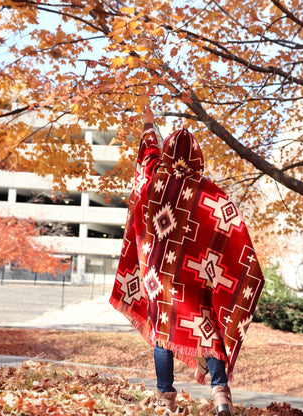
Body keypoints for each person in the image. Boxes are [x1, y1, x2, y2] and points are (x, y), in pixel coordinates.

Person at [110, 105, 265, 415]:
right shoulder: (209, 192)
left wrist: (148, 122)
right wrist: (243, 266)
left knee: (162, 332)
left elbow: (148, 151)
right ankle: (221, 396)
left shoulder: (155, 178)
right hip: (195, 279)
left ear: (169, 154)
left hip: (159, 278)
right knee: (206, 330)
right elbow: (232, 230)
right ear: (198, 157)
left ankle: (165, 399)